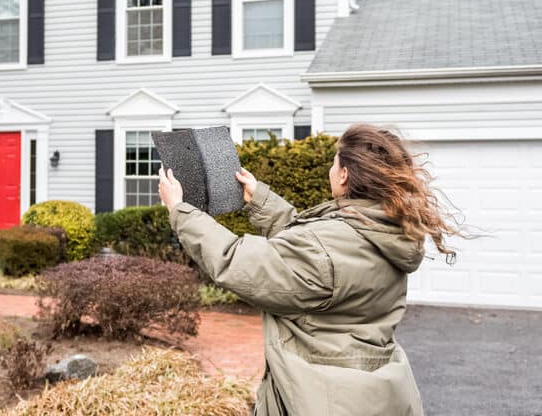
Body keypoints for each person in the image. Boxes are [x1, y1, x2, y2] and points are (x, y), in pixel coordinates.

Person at [157, 123, 463, 416]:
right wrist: (260, 199)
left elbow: (236, 261)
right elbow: (311, 249)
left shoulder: (333, 243)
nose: (330, 170)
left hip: (327, 400)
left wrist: (181, 211)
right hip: (379, 393)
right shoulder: (384, 230)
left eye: (333, 163)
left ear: (344, 175)